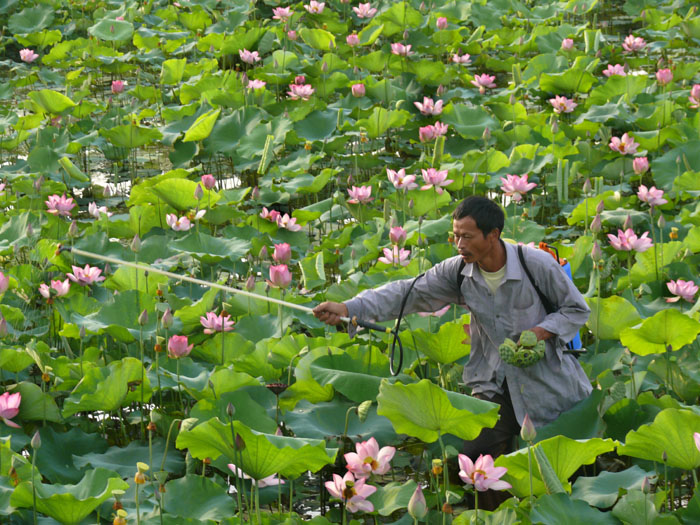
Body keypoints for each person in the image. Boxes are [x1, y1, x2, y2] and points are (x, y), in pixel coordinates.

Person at [313, 196, 592, 461]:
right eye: (455, 236)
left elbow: (576, 310)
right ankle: (495, 512)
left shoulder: (535, 264)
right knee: (476, 460)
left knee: (559, 465)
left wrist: (541, 332)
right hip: (494, 382)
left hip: (547, 381)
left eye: (467, 237)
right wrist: (349, 309)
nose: (459, 244)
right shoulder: (458, 271)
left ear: (493, 235)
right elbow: (406, 293)